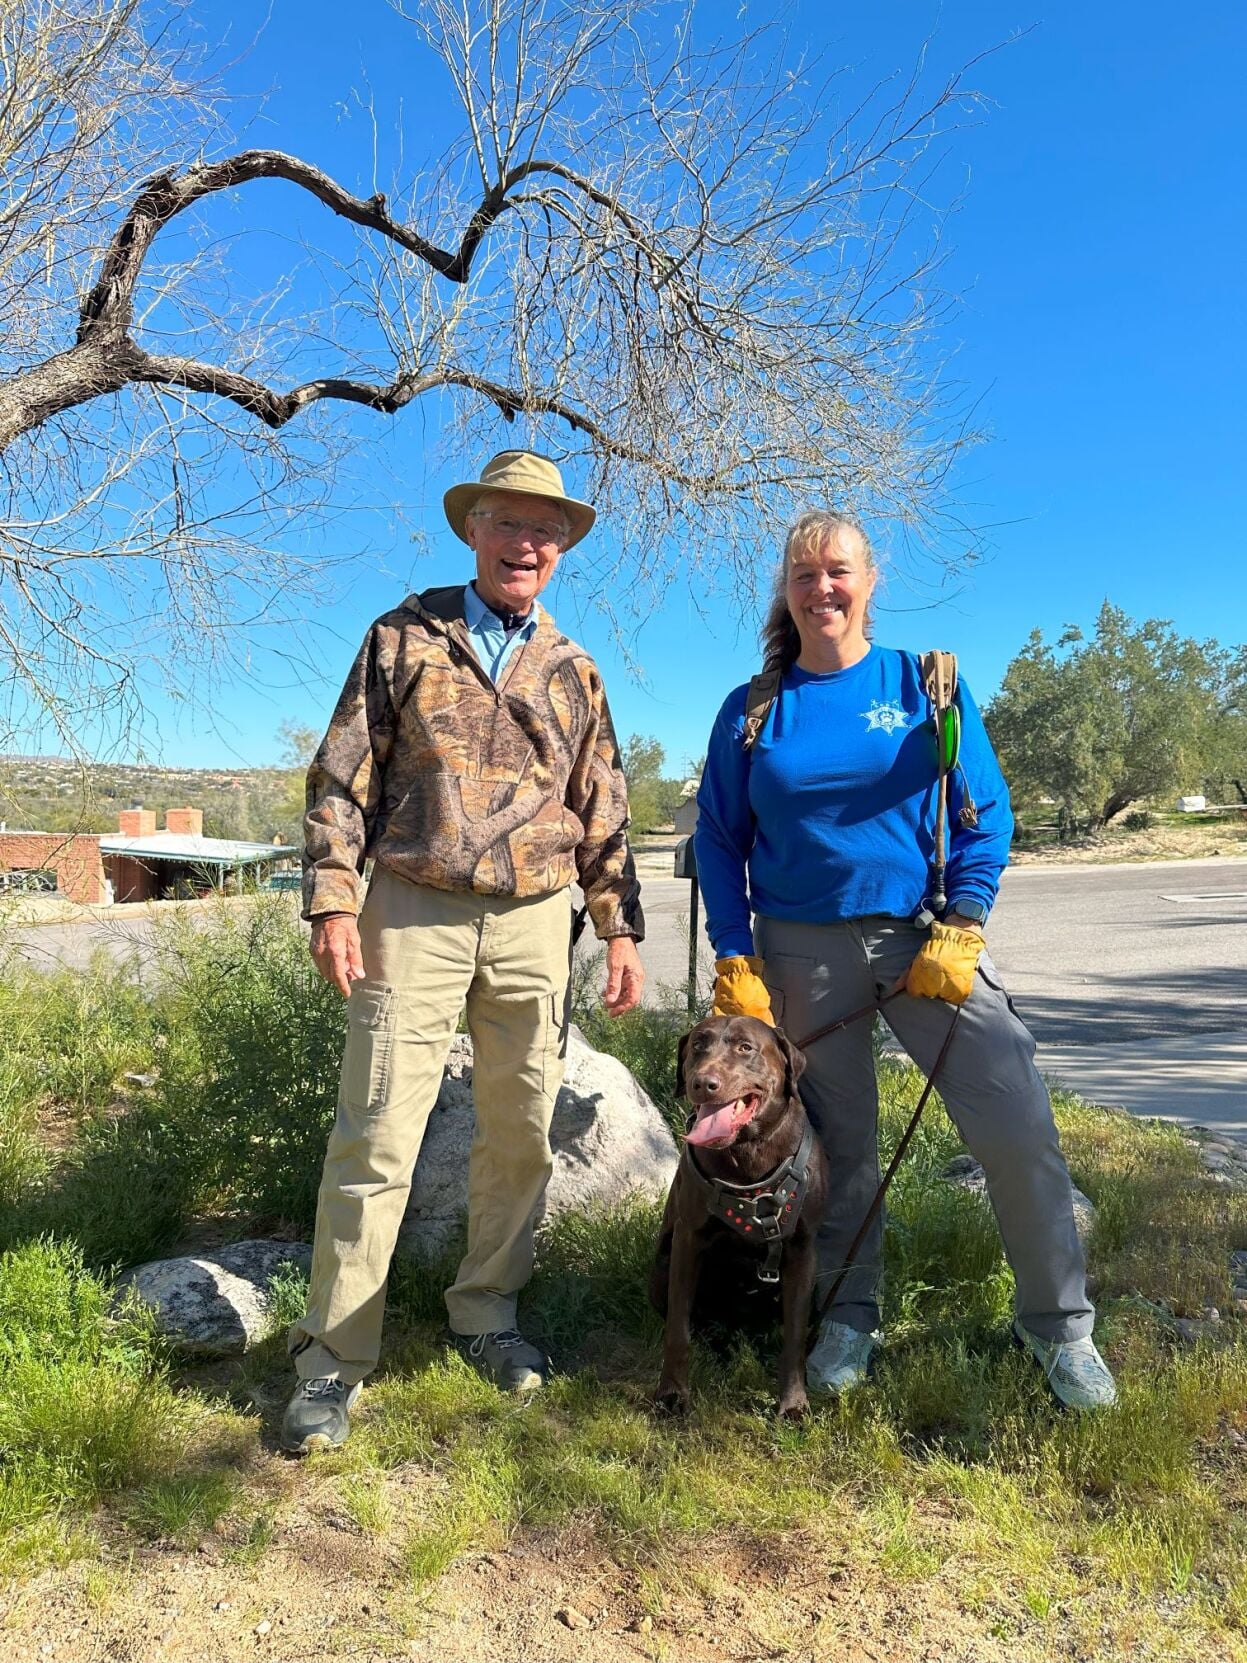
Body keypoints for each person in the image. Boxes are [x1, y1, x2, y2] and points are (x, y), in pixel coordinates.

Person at [693, 509, 1116, 1411]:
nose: (821, 589)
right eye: (803, 575)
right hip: (799, 952)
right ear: (786, 590)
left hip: (924, 938)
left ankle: (1057, 1327)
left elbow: (985, 814)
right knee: (840, 1148)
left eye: (837, 571)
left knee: (1015, 1121)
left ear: (870, 580)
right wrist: (735, 955)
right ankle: (849, 1314)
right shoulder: (752, 711)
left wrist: (963, 922)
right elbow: (719, 841)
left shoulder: (927, 685)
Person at [282, 450, 646, 1454]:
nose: (524, 543)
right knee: (375, 1134)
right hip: (412, 907)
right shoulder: (402, 636)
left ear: (561, 548)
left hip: (534, 918)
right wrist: (332, 901)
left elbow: (601, 807)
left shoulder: (575, 671)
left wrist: (617, 928)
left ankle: (486, 1314)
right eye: (506, 523)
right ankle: (331, 1360)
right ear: (473, 530)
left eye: (544, 529)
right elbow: (340, 774)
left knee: (520, 1130)